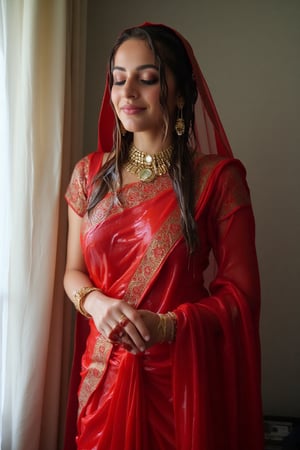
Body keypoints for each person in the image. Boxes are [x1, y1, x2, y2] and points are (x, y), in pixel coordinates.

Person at [63, 22, 264, 450]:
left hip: (180, 386)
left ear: (178, 92)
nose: (127, 92)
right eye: (118, 79)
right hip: (103, 375)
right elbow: (73, 272)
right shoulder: (89, 175)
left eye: (147, 78)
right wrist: (97, 304)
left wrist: (169, 327)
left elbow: (240, 296)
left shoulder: (217, 180)